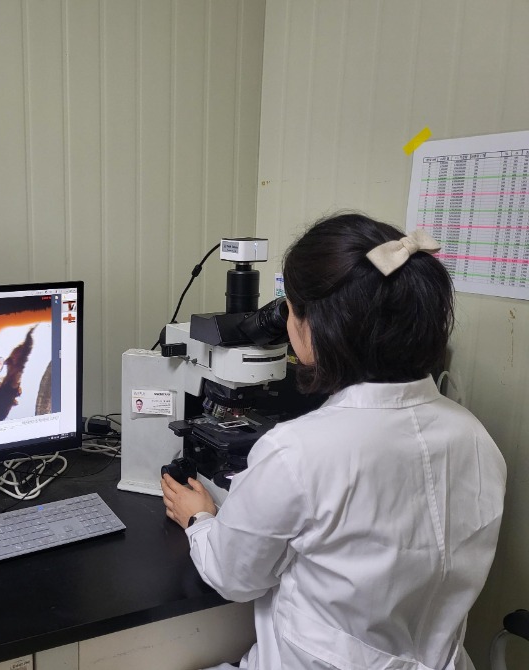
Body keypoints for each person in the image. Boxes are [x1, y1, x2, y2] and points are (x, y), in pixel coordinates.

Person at [161, 212, 506, 670]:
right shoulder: (476, 437)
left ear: (315, 325)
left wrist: (200, 519)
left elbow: (234, 578)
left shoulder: (299, 452)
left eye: (291, 310)